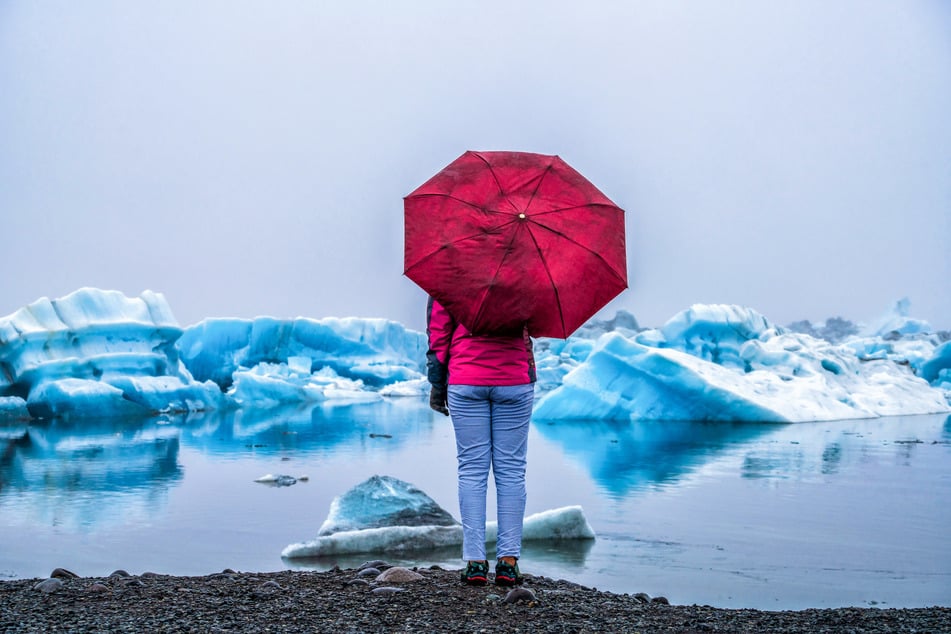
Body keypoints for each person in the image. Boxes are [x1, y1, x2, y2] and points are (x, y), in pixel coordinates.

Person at [425, 296, 536, 587]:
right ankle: (508, 564)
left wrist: (438, 384)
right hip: (514, 377)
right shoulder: (526, 271)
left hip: (466, 377)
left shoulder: (448, 273)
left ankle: (475, 562)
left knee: (472, 470)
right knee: (511, 471)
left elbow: (438, 333)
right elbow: (537, 320)